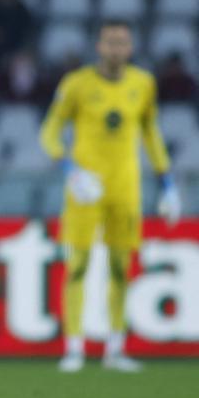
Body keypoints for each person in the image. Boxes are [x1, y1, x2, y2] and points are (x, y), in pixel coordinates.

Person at [39, 20, 180, 373]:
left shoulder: (143, 84)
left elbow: (151, 133)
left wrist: (167, 182)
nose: (116, 49)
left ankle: (115, 347)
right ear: (99, 46)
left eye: (122, 43)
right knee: (79, 264)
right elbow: (50, 133)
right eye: (110, 42)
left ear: (130, 48)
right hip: (85, 188)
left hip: (125, 187)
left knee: (121, 266)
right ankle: (74, 347)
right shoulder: (77, 85)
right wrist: (70, 170)